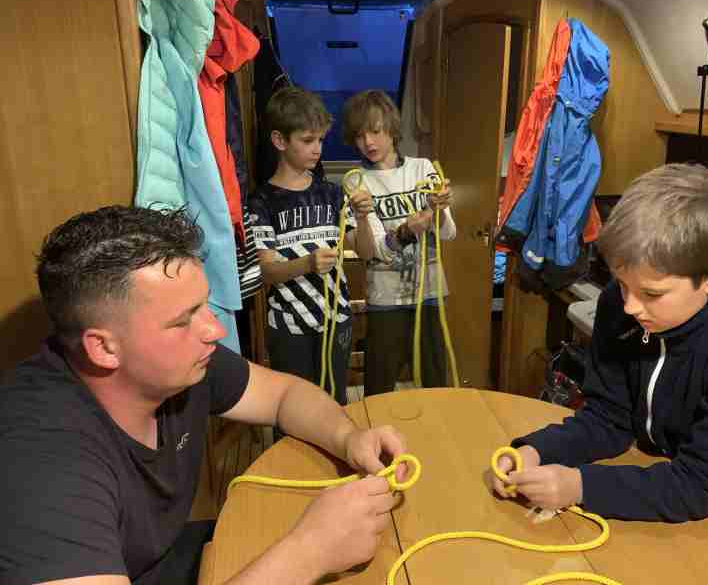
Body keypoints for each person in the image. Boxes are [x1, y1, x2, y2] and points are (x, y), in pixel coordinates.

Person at [0, 206, 407, 584]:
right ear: (104, 348)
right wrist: (310, 552)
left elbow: (285, 394)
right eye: (183, 320)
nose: (214, 330)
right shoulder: (38, 461)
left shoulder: (178, 364)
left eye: (203, 307)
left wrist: (348, 438)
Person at [493, 163, 708, 534]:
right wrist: (536, 450)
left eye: (652, 293)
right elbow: (608, 419)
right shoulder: (618, 304)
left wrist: (580, 486)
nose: (629, 307)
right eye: (622, 284)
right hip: (665, 479)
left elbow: (703, 485)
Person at [250, 86, 376, 405]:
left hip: (337, 320)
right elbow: (266, 272)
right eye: (307, 140)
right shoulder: (262, 201)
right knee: (293, 408)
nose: (317, 149)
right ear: (280, 141)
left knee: (335, 403)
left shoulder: (332, 193)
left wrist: (363, 218)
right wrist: (306, 264)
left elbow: (365, 252)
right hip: (289, 326)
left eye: (320, 140)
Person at [341, 89, 456, 395]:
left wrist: (439, 210)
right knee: (379, 384)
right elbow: (374, 251)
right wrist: (407, 229)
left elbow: (448, 232)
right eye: (360, 135)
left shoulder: (423, 168)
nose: (368, 142)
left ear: (391, 128)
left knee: (436, 383)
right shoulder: (356, 182)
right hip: (385, 298)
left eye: (376, 131)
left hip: (430, 293)